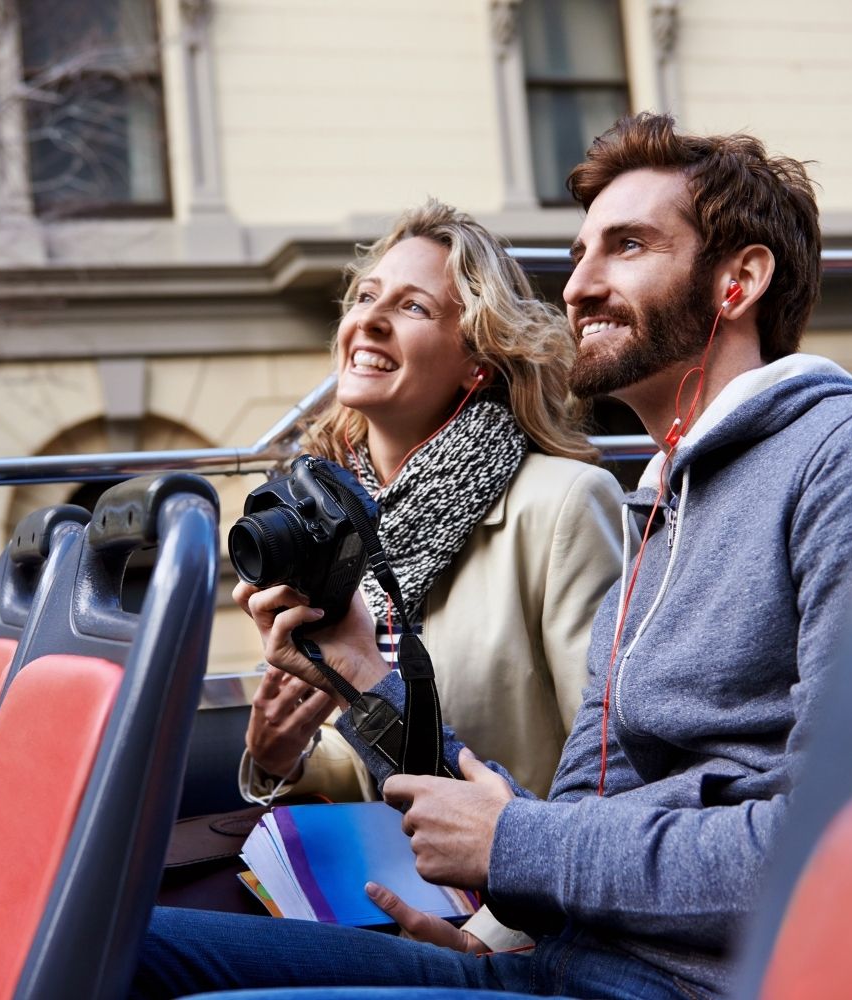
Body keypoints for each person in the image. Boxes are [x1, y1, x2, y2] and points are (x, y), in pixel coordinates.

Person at [135, 113, 852, 1000]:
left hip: (679, 984)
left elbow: (851, 838)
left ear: (737, 281)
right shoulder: (665, 505)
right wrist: (363, 669)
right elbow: (578, 824)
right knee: (116, 947)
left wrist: (513, 848)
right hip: (550, 960)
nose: (579, 286)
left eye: (626, 247)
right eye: (580, 254)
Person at [236, 198, 625, 950]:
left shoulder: (563, 504)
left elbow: (608, 784)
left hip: (520, 929)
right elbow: (373, 775)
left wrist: (490, 938)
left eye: (412, 306)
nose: (371, 320)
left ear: (479, 358)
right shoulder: (328, 523)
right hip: (377, 907)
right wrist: (281, 758)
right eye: (365, 297)